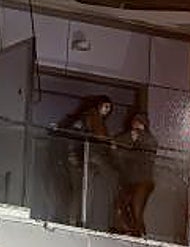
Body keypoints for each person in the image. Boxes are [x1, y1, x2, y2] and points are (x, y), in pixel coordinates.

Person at [55, 96, 113, 225]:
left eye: (109, 108)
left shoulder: (89, 118)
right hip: (79, 159)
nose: (107, 111)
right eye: (106, 106)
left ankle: (75, 219)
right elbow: (98, 136)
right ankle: (75, 220)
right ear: (98, 105)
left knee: (80, 190)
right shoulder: (91, 117)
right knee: (79, 190)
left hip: (81, 159)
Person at [111, 112, 158, 237]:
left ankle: (139, 232)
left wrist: (134, 140)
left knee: (136, 207)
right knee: (123, 205)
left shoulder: (148, 139)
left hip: (143, 180)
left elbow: (144, 156)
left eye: (139, 122)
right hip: (131, 180)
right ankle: (131, 230)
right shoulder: (128, 136)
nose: (136, 124)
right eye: (135, 121)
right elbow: (116, 148)